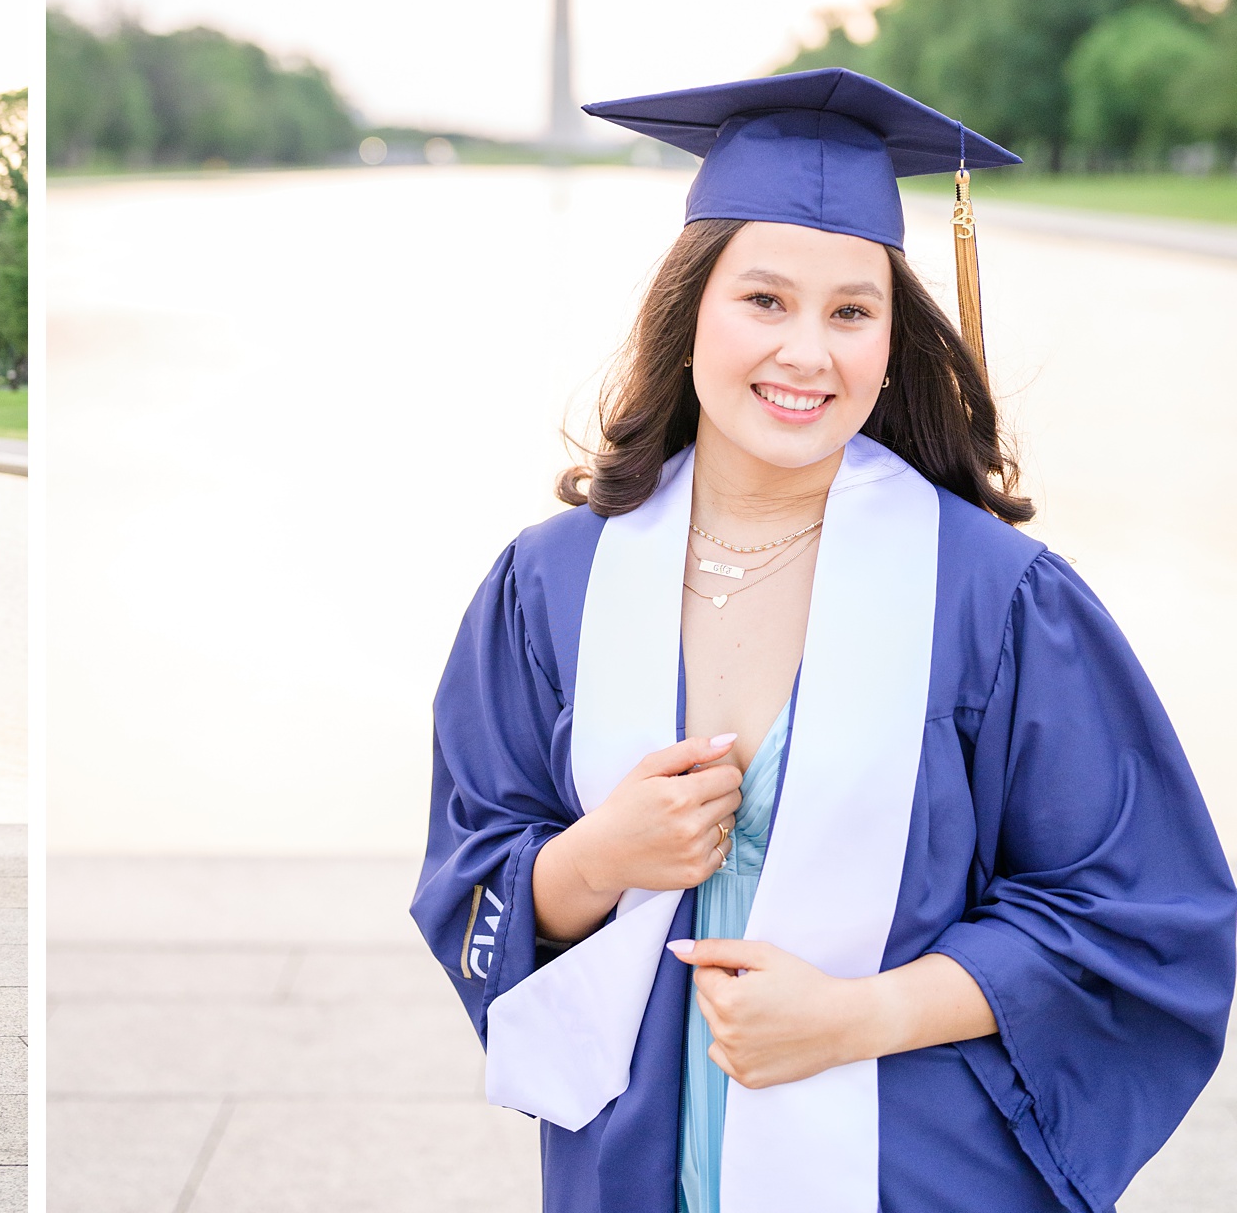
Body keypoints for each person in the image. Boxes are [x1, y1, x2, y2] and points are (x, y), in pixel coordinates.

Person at [410, 70, 1235, 1212]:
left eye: (852, 310)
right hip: (638, 1161)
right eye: (764, 300)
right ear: (688, 309)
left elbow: (1140, 914)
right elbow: (471, 866)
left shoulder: (994, 596)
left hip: (910, 1160)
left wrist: (863, 1013)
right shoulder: (553, 582)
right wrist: (598, 858)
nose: (808, 351)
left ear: (892, 340)